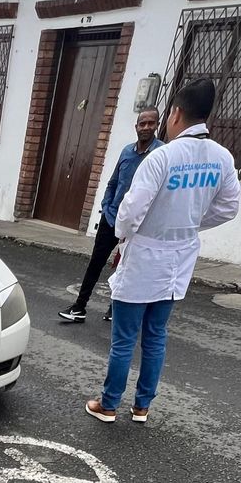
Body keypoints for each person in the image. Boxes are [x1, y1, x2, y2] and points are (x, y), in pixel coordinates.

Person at [85, 78, 240, 424]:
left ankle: (109, 404)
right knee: (156, 335)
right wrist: (191, 222)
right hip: (180, 257)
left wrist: (122, 239)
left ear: (176, 114)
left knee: (124, 337)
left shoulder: (161, 158)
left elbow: (129, 210)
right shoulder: (222, 158)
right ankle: (142, 406)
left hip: (144, 255)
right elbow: (229, 207)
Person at [59, 108, 163, 323]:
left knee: (127, 268)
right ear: (136, 127)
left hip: (139, 224)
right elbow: (113, 182)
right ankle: (79, 307)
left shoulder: (161, 154)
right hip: (113, 218)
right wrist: (107, 205)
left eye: (150, 123)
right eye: (142, 123)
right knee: (96, 263)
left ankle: (114, 309)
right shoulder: (126, 152)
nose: (146, 127)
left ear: (157, 125)